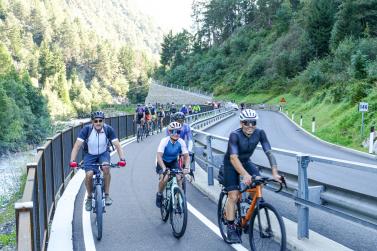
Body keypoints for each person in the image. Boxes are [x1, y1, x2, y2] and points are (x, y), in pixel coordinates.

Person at [223, 109, 282, 243]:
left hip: (246, 161)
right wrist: (244, 174)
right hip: (231, 164)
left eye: (253, 123)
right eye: (246, 123)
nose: (250, 126)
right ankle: (231, 227)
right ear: (241, 123)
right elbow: (233, 157)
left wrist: (275, 173)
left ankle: (247, 208)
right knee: (233, 195)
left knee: (259, 183)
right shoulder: (235, 135)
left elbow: (269, 153)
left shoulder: (260, 133)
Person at [70, 111, 126, 211]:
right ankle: (89, 197)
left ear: (103, 121)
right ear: (92, 122)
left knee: (106, 167)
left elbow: (117, 145)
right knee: (89, 174)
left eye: (100, 121)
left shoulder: (108, 129)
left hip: (103, 154)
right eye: (96, 121)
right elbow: (77, 146)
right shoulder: (86, 130)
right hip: (89, 154)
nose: (98, 123)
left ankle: (107, 195)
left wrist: (122, 159)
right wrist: (72, 161)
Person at [155, 122, 190, 208]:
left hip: (173, 161)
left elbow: (187, 157)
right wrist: (164, 168)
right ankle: (159, 194)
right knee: (165, 178)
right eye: (173, 131)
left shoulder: (181, 142)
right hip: (162, 161)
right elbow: (159, 156)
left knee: (179, 178)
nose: (176, 134)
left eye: (178, 132)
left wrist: (186, 168)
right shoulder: (164, 141)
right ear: (169, 132)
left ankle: (178, 201)